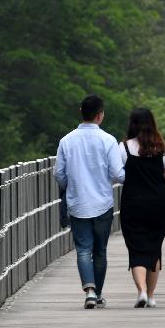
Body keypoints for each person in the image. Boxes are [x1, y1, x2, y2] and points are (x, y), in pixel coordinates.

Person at [54, 94, 125, 309]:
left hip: (77, 203)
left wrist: (71, 184)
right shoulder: (108, 140)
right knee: (100, 250)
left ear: (81, 112)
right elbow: (118, 174)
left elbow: (59, 174)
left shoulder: (66, 141)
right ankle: (99, 293)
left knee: (83, 249)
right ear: (100, 115)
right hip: (102, 202)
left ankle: (90, 292)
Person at [119, 107, 165, 308]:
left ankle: (141, 290)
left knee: (136, 247)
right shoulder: (163, 148)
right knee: (154, 247)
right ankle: (151, 296)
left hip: (132, 203)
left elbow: (117, 174)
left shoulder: (124, 148)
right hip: (158, 204)